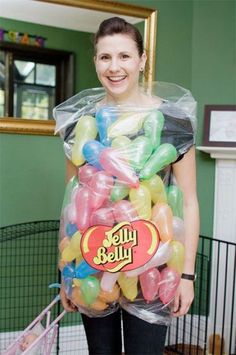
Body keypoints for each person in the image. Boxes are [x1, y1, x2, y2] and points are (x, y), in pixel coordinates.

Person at [57, 17, 199, 355]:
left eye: (124, 56)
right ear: (95, 61)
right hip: (94, 261)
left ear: (142, 59)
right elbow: (72, 204)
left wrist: (187, 276)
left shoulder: (173, 121)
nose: (114, 67)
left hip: (154, 265)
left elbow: (189, 202)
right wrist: (66, 271)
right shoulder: (81, 124)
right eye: (105, 57)